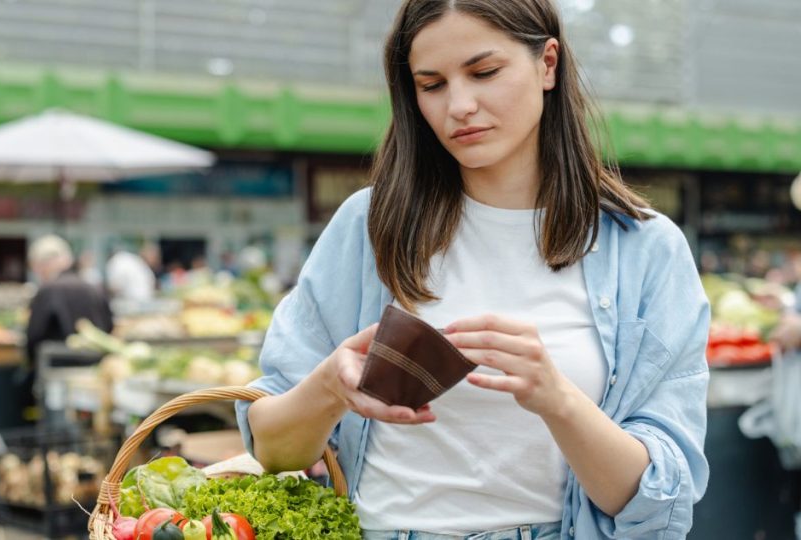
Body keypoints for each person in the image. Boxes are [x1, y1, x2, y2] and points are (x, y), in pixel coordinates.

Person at [235, 2, 710, 539]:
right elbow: (273, 450)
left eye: (485, 72)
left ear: (547, 64)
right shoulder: (368, 226)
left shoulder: (646, 249)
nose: (459, 105)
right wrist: (330, 386)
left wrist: (558, 400)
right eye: (431, 84)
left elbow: (661, 502)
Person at [25, 235, 113, 366]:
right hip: (95, 366)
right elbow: (109, 326)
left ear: (42, 264)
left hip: (57, 367)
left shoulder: (47, 291)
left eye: (36, 268)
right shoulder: (92, 288)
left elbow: (34, 335)